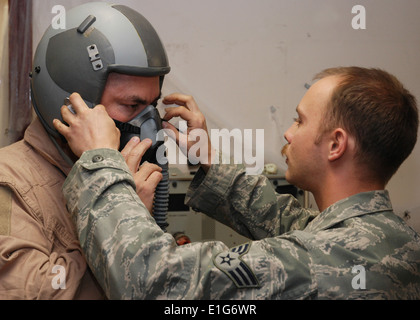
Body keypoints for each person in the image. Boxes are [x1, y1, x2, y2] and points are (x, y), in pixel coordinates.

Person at [57, 66, 420, 300]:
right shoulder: (386, 239)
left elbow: (154, 281)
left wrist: (101, 160)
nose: (289, 134)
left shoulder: (321, 263)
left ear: (336, 144)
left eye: (299, 121)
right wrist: (207, 159)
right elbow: (286, 221)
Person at [0, 2, 170, 299]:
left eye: (151, 106)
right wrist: (118, 221)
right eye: (132, 105)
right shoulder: (9, 180)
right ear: (70, 105)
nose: (149, 124)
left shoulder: (121, 174)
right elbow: (33, 292)